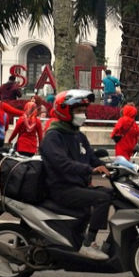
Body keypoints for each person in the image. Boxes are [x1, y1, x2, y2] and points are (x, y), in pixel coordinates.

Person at [42, 90, 117, 261]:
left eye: (84, 110)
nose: (82, 115)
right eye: (77, 111)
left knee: (110, 194)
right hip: (62, 188)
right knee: (101, 199)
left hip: (77, 185)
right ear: (64, 111)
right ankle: (88, 244)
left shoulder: (78, 135)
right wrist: (89, 170)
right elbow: (61, 163)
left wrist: (112, 168)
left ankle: (95, 239)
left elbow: (92, 158)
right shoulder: (54, 136)